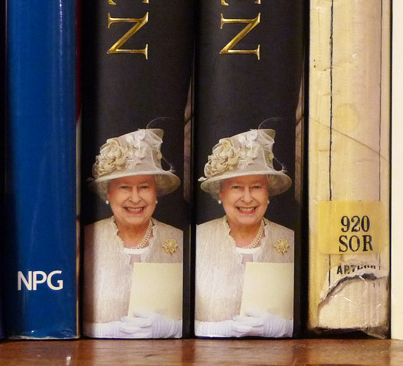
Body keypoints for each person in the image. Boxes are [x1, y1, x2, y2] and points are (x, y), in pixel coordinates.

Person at [82, 128, 183, 338]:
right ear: (108, 193)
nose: (135, 198)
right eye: (125, 187)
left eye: (144, 187)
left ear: (156, 192)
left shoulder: (181, 240)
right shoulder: (85, 240)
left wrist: (175, 327)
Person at [195, 129, 294, 338]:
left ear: (268, 192)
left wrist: (286, 327)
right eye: (237, 187)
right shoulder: (196, 239)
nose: (247, 198)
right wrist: (212, 329)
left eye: (256, 186)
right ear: (221, 192)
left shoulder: (292, 241)